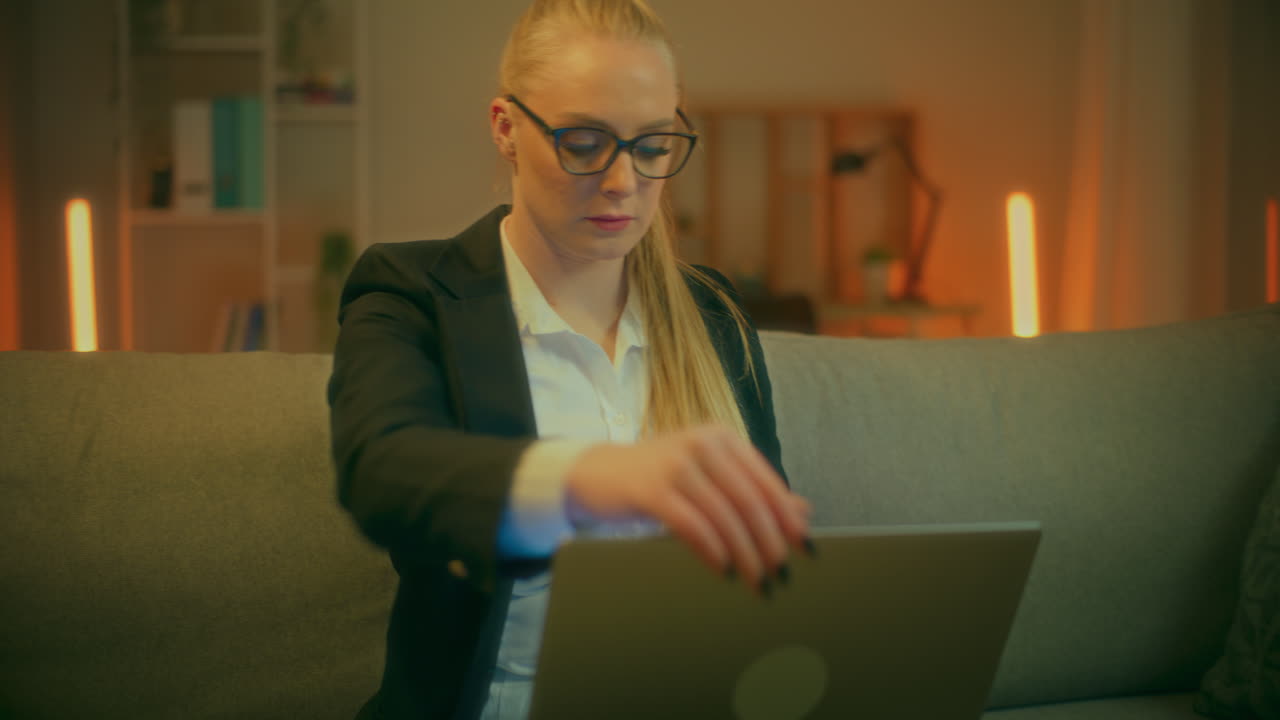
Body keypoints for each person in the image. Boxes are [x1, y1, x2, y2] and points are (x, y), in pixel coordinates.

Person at [326, 1, 813, 718]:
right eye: (584, 142)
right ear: (506, 129)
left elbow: (770, 562)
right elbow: (383, 474)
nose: (623, 182)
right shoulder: (411, 292)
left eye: (652, 145)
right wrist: (593, 479)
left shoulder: (712, 313)